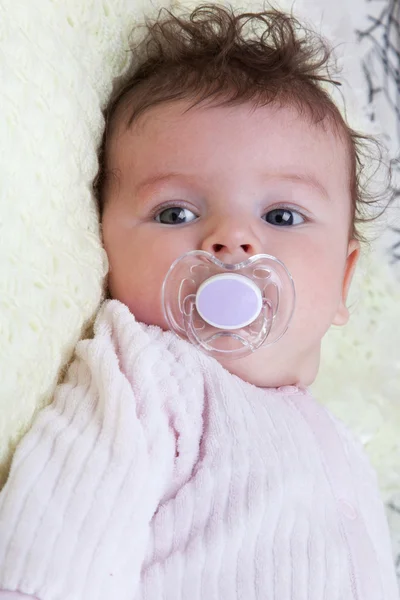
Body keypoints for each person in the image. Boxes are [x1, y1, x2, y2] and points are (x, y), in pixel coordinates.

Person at [0, 3, 398, 599]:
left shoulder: (337, 441)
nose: (233, 240)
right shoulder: (146, 376)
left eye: (282, 215)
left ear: (343, 284)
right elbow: (51, 559)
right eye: (175, 212)